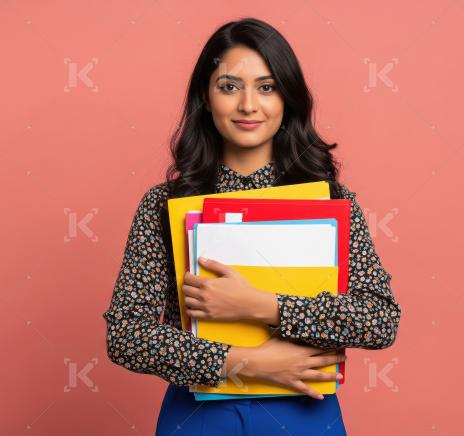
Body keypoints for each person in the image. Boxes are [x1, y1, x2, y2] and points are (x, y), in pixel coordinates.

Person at [102, 17, 401, 435]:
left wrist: (261, 306)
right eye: (229, 87)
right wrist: (245, 362)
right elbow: (126, 335)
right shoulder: (163, 204)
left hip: (304, 414)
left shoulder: (330, 201)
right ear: (205, 97)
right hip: (199, 416)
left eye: (266, 87)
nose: (248, 105)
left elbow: (379, 319)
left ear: (288, 98)